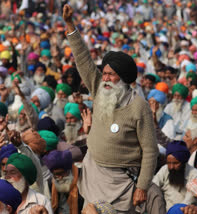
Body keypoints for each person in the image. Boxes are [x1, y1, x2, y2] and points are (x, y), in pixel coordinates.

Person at [63, 5, 158, 213]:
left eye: (111, 74)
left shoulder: (138, 106)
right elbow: (83, 59)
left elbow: (151, 150)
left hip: (121, 184)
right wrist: (70, 25)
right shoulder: (98, 89)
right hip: (93, 174)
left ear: (123, 78)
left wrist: (142, 186)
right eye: (104, 73)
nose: (105, 78)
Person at [152, 140, 197, 211]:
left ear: (184, 162)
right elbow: (153, 187)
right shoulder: (165, 169)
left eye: (175, 163)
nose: (171, 167)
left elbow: (188, 201)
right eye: (169, 163)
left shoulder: (194, 174)